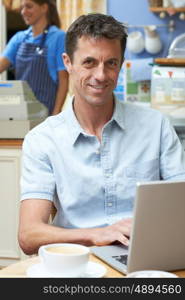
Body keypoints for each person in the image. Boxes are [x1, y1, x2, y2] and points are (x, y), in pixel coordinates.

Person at [18, 13, 185, 255]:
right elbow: (29, 235)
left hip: (144, 259)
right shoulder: (43, 139)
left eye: (111, 63)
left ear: (121, 63)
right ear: (68, 62)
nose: (101, 75)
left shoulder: (156, 126)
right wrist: (96, 235)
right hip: (74, 263)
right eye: (89, 62)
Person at [0, 0, 68, 115]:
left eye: (29, 7)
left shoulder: (58, 37)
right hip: (21, 112)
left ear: (44, 8)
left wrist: (56, 113)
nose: (23, 12)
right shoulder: (19, 38)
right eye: (22, 8)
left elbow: (63, 80)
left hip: (46, 112)